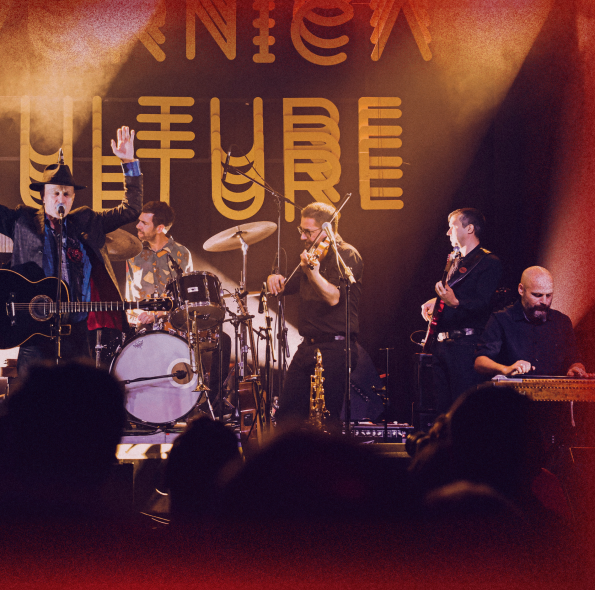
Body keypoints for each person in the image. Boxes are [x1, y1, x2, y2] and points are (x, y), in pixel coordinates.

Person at [0, 127, 141, 377]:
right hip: (33, 328)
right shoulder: (23, 221)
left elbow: (131, 210)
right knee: (35, 395)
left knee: (78, 394)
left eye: (66, 194)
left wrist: (129, 163)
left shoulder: (86, 221)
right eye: (55, 193)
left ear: (73, 198)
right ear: (43, 197)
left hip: (75, 329)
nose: (61, 199)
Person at [267, 202, 363, 426]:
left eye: (308, 232)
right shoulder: (311, 256)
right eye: (302, 230)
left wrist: (312, 272)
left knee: (326, 419)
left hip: (336, 347)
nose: (303, 237)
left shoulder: (346, 254)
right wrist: (274, 277)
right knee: (287, 417)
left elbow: (333, 297)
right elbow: (284, 287)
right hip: (308, 346)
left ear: (327, 229)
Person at [125, 200, 230, 404]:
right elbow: (130, 297)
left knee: (222, 340)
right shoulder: (133, 254)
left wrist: (163, 314)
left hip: (175, 322)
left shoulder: (181, 253)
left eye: (144, 223)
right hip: (143, 323)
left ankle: (212, 401)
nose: (137, 226)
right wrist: (138, 316)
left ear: (160, 228)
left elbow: (186, 297)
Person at [474, 266, 593, 445]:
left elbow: (574, 359)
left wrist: (576, 368)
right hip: (513, 412)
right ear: (521, 289)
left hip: (552, 415)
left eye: (549, 295)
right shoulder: (501, 319)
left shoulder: (562, 322)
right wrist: (505, 369)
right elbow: (479, 361)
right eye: (537, 295)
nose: (544, 301)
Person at [421, 208, 501, 414]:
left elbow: (484, 303)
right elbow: (454, 293)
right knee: (441, 410)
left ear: (470, 228)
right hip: (442, 345)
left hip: (466, 346)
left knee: (463, 410)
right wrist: (437, 301)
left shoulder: (488, 261)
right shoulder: (455, 260)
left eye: (452, 226)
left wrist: (455, 302)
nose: (448, 232)